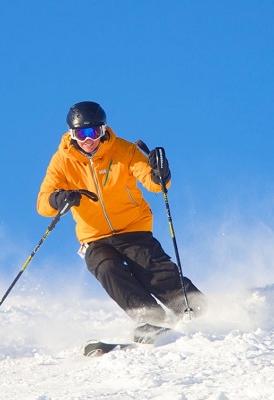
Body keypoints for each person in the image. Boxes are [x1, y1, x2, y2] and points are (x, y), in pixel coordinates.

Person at [36, 101, 206, 342]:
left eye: (93, 132)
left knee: (152, 269)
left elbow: (154, 183)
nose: (88, 140)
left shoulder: (124, 150)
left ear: (104, 130)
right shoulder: (62, 162)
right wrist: (59, 199)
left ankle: (198, 312)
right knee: (106, 268)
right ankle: (151, 319)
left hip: (132, 228)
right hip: (94, 237)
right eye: (81, 134)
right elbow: (42, 203)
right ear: (71, 135)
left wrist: (160, 174)